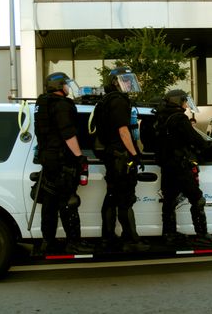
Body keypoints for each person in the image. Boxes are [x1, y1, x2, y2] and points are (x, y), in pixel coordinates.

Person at [34, 72, 93, 254]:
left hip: (48, 159)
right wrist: (79, 156)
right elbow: (68, 133)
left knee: (50, 203)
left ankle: (48, 242)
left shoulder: (42, 104)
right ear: (59, 86)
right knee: (69, 201)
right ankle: (73, 242)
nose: (68, 88)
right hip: (62, 160)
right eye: (66, 84)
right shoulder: (61, 105)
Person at [155, 89, 212, 246]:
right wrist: (208, 145)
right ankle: (202, 234)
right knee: (197, 199)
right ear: (177, 101)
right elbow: (195, 138)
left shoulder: (160, 117)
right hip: (180, 166)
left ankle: (169, 234)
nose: (185, 103)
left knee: (169, 201)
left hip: (167, 167)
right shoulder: (179, 118)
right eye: (184, 100)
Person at [99, 66, 149, 252]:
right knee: (125, 198)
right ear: (115, 82)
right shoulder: (119, 101)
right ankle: (131, 238)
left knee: (112, 197)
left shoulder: (106, 101)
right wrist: (134, 156)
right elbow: (123, 131)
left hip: (112, 156)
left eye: (129, 80)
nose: (128, 83)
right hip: (121, 157)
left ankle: (108, 237)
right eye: (125, 80)